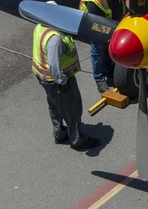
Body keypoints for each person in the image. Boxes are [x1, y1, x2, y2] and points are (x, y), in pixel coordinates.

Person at [31, 13, 99, 151]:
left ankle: (59, 133)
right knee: (72, 109)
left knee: (54, 105)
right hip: (57, 81)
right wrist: (63, 82)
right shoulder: (55, 39)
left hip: (44, 77)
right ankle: (78, 140)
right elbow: (55, 65)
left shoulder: (40, 27)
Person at [79, 0, 124, 93]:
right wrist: (109, 37)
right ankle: (99, 78)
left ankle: (109, 70)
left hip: (113, 19)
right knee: (98, 49)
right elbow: (99, 25)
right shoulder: (93, 2)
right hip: (94, 23)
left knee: (111, 46)